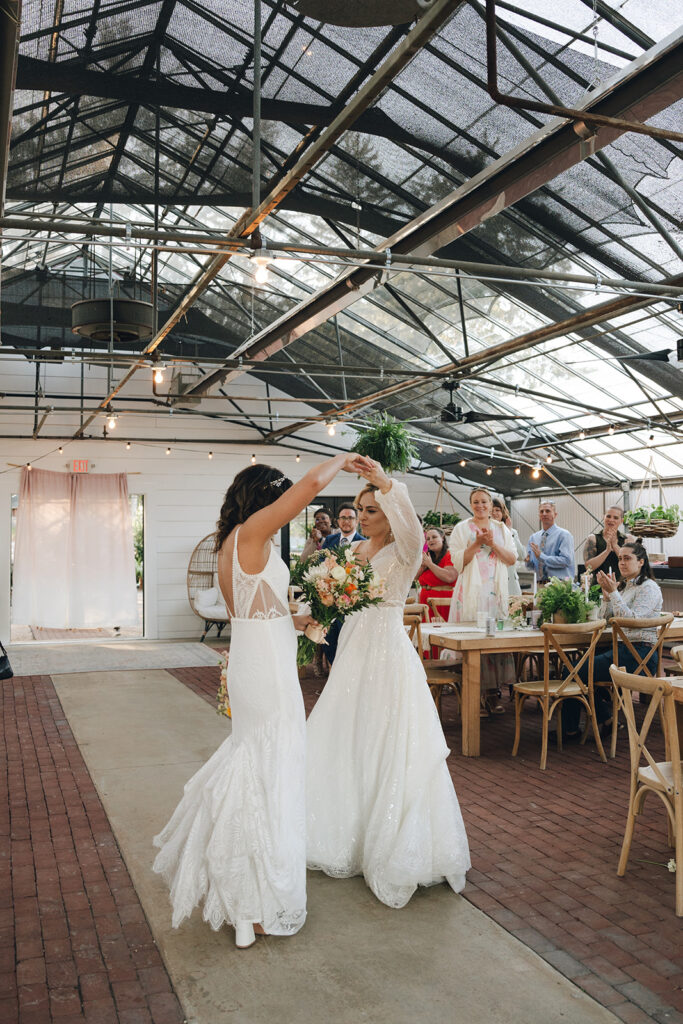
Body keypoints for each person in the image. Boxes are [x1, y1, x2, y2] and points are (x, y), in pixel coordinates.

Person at [153, 452, 370, 949]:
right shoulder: (251, 534)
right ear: (265, 500)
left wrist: (300, 621)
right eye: (281, 500)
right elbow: (313, 484)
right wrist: (343, 459)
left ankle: (245, 900)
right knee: (270, 774)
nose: (286, 510)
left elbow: (253, 612)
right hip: (265, 671)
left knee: (260, 769)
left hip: (258, 655)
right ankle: (252, 903)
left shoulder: (236, 543)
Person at [306, 459, 470, 908]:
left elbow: (413, 527)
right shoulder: (355, 553)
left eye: (371, 509)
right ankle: (349, 831)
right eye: (360, 509)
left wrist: (387, 484)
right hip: (354, 647)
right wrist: (314, 619)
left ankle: (391, 842)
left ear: (389, 513)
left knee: (388, 737)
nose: (362, 516)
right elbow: (338, 598)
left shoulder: (406, 550)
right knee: (349, 734)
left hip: (388, 651)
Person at [561, 541, 663, 737]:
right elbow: (606, 621)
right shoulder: (625, 587)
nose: (622, 563)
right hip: (621, 650)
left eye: (627, 558)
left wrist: (615, 593)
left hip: (639, 655)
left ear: (641, 562)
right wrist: (608, 596)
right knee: (573, 667)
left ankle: (577, 728)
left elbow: (632, 621)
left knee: (571, 671)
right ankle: (605, 718)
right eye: (620, 559)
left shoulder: (648, 588)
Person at [448, 488, 517, 713]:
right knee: (471, 642)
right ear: (471, 504)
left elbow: (511, 558)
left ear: (491, 504)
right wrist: (477, 543)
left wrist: (493, 544)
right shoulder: (461, 529)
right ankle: (470, 697)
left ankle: (491, 696)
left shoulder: (501, 529)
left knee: (492, 643)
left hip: (494, 592)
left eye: (484, 502)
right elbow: (459, 562)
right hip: (470, 591)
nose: (480, 505)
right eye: (476, 502)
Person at [320, 504, 366, 666]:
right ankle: (336, 669)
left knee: (349, 639)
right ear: (337, 521)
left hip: (350, 599)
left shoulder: (364, 543)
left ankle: (347, 672)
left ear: (357, 521)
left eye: (350, 518)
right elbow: (321, 565)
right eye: (343, 518)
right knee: (328, 638)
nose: (346, 521)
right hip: (329, 599)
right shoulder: (330, 541)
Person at [525, 500, 575, 582]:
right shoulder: (533, 538)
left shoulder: (564, 535)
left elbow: (566, 560)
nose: (544, 514)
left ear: (555, 515)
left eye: (547, 511)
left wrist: (541, 556)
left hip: (560, 585)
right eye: (541, 511)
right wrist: (527, 561)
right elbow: (531, 567)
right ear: (539, 515)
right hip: (540, 584)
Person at [418, 526, 457, 622]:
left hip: (442, 603)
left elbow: (449, 577)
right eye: (428, 539)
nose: (431, 540)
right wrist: (423, 566)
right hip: (425, 602)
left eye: (434, 537)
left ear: (442, 538)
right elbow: (415, 578)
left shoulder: (450, 555)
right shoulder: (427, 556)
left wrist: (430, 564)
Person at [583, 506, 631, 578]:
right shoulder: (593, 539)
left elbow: (631, 563)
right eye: (608, 516)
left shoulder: (627, 539)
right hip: (598, 585)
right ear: (603, 517)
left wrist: (615, 546)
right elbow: (589, 567)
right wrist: (607, 551)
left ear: (621, 521)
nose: (611, 520)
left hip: (622, 584)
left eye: (615, 518)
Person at [492, 497, 525, 597]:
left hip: (511, 585)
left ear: (503, 512)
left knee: (514, 611)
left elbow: (521, 556)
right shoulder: (484, 533)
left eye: (497, 510)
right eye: (491, 510)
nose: (494, 513)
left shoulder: (512, 532)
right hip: (492, 583)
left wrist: (509, 532)